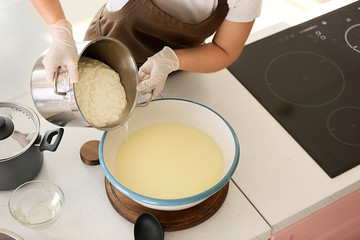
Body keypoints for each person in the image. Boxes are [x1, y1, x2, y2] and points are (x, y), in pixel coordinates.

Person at [31, 0, 262, 101]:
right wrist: (59, 29)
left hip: (180, 67)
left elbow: (224, 50)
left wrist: (172, 60)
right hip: (105, 57)